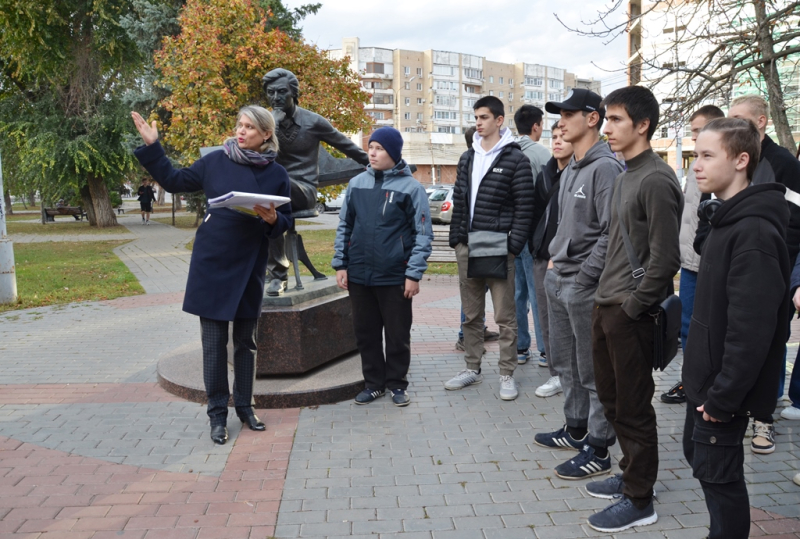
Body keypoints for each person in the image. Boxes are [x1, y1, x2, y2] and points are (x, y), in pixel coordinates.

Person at [131, 106, 292, 445]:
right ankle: (217, 414)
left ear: (265, 135)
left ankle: (245, 407)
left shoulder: (277, 173)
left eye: (250, 127)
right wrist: (153, 147)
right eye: (240, 124)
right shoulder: (216, 161)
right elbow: (175, 181)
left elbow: (286, 223)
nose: (241, 131)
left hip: (250, 263)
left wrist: (273, 220)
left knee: (246, 342)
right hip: (213, 262)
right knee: (215, 345)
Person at [682, 118, 789, 539]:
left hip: (720, 391)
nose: (696, 165)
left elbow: (752, 332)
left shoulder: (755, 232)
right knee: (705, 467)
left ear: (742, 160)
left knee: (722, 482)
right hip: (706, 381)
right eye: (696, 155)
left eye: (708, 156)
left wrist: (723, 397)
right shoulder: (727, 218)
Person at [586, 86, 682, 532]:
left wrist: (631, 308)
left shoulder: (657, 179)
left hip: (630, 313)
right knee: (611, 400)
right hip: (606, 307)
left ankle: (640, 498)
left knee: (634, 407)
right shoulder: (625, 175)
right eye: (606, 119)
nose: (606, 127)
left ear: (642, 125)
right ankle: (630, 473)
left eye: (615, 119)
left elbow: (666, 259)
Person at [533, 89, 622, 480]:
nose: (560, 121)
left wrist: (585, 276)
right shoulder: (571, 166)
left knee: (593, 370)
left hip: (585, 285)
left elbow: (611, 232)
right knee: (565, 363)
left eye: (568, 114)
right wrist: (554, 264)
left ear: (592, 118)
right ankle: (575, 427)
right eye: (558, 115)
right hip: (559, 277)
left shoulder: (605, 169)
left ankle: (599, 447)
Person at [332, 127, 432, 407]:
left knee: (398, 335)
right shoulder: (357, 184)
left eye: (379, 148)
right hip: (360, 274)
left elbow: (423, 234)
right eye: (370, 147)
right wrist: (341, 264)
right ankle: (374, 384)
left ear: (394, 153)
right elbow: (345, 226)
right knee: (366, 333)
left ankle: (397, 384)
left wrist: (413, 274)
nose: (372, 153)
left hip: (395, 276)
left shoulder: (411, 188)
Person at [445, 96, 535, 400]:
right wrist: (456, 237)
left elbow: (525, 208)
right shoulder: (467, 157)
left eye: (484, 117)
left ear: (499, 120)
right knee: (471, 316)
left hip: (498, 246)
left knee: (505, 317)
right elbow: (460, 200)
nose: (478, 123)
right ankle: (472, 367)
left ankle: (507, 374)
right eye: (476, 118)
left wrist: (512, 246)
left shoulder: (515, 159)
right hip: (467, 245)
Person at [728, 95, 800, 454]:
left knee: (771, 345)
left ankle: (764, 420)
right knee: (737, 342)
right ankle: (734, 409)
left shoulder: (783, 163)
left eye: (739, 119)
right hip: (733, 271)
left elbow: (796, 222)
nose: (733, 125)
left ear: (761, 121)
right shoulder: (733, 159)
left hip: (774, 273)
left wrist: (776, 262)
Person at [261, 68, 369, 296]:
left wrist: (378, 164)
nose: (276, 98)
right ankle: (265, 272)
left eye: (281, 92)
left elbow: (346, 146)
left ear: (294, 93)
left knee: (271, 183)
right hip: (273, 195)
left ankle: (278, 277)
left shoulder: (313, 122)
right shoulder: (265, 124)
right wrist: (273, 126)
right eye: (271, 93)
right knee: (263, 199)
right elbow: (255, 157)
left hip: (303, 191)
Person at [661, 105, 725, 405]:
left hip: (713, 264)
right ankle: (690, 381)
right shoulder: (694, 166)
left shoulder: (722, 169)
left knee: (714, 329)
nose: (696, 136)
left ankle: (712, 385)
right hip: (688, 261)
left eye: (701, 130)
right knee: (686, 326)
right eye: (694, 130)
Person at [531, 122, 574, 398]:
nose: (557, 142)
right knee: (546, 318)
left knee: (571, 322)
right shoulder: (545, 174)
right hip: (542, 256)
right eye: (553, 137)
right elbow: (535, 214)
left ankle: (574, 377)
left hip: (570, 259)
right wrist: (534, 246)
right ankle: (556, 374)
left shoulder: (579, 173)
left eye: (562, 137)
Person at [456, 125, 500, 350]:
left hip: (488, 238)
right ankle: (466, 336)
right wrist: (457, 239)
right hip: (472, 238)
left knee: (478, 291)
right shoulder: (469, 162)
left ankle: (476, 331)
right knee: (473, 293)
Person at [513, 105, 550, 365]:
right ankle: (545, 349)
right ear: (536, 126)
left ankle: (520, 347)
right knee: (538, 293)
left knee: (517, 293)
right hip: (533, 234)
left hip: (510, 235)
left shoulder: (508, 152)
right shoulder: (542, 154)